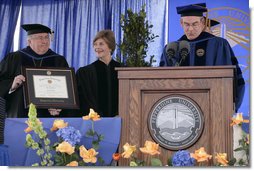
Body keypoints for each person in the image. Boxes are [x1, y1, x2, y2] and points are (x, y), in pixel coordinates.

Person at [159, 3, 245, 112]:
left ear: (203, 23)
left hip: (213, 108)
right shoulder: (172, 49)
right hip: (180, 110)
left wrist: (231, 108)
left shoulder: (219, 45)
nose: (190, 29)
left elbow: (233, 80)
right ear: (181, 23)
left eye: (194, 24)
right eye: (186, 24)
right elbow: (162, 82)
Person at [0, 24, 69, 118]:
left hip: (48, 115)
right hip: (20, 112)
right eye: (40, 38)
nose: (44, 41)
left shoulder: (58, 60)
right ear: (29, 41)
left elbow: (66, 88)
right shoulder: (15, 58)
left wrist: (59, 106)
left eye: (46, 37)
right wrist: (12, 85)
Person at [76, 30, 120, 117]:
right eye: (95, 44)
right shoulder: (85, 73)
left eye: (101, 44)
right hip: (94, 122)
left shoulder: (122, 70)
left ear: (110, 47)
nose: (97, 47)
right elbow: (81, 100)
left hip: (120, 121)